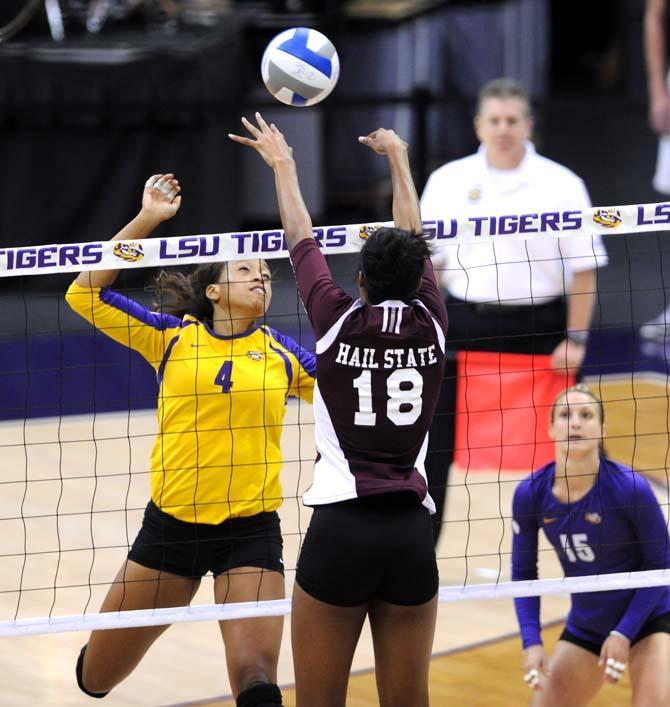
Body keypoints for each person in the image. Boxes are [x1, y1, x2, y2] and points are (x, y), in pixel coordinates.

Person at [65, 173, 315, 707]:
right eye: (246, 268)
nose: (261, 277)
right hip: (171, 531)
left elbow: (351, 387)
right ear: (213, 290)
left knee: (256, 681)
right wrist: (148, 220)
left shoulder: (284, 355)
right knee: (95, 679)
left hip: (250, 533)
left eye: (267, 272)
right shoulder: (171, 337)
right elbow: (84, 293)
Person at [229, 114, 447, 707]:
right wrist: (399, 158)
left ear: (359, 280)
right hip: (409, 534)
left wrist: (283, 163)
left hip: (341, 531)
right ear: (421, 277)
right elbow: (414, 233)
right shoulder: (433, 322)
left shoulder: (333, 315)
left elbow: (300, 232)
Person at [419, 77, 608, 544]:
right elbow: (429, 267)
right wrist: (423, 330)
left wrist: (577, 338)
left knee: (576, 442)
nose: (504, 128)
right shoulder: (448, 181)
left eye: (513, 120)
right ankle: (419, 551)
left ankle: (595, 542)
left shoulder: (562, 184)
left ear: (528, 125)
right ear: (479, 125)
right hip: (464, 324)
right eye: (495, 120)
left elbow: (585, 270)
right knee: (432, 446)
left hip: (541, 328)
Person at [511, 383, 670, 706]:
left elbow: (662, 565)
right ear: (551, 427)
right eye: (566, 415)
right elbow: (524, 572)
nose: (576, 423)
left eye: (586, 415)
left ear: (602, 429)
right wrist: (531, 642)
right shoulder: (530, 493)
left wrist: (624, 632)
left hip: (652, 614)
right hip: (590, 620)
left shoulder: (630, 489)